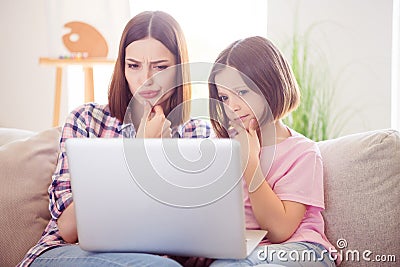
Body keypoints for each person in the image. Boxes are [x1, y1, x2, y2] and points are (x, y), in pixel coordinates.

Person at [19, 11, 210, 267]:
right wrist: (139, 151)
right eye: (134, 66)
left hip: (152, 258)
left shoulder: (197, 134)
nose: (145, 79)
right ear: (122, 67)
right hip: (66, 253)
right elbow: (69, 229)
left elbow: (197, 231)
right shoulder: (85, 120)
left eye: (161, 67)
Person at [207, 36, 338, 266]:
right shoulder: (219, 148)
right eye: (224, 97)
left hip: (299, 248)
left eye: (243, 92)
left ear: (272, 86)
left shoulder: (303, 152)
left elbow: (279, 231)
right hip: (241, 251)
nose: (232, 106)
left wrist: (250, 165)